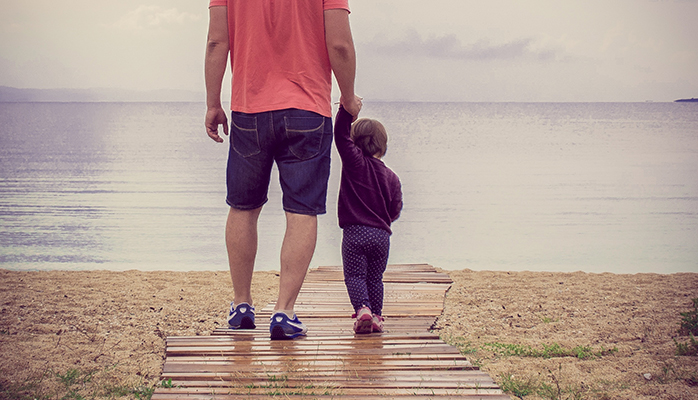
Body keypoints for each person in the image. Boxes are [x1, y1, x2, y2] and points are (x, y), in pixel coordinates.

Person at [204, 0, 362, 340]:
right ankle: (283, 312)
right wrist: (348, 98)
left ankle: (242, 304)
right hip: (308, 109)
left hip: (249, 108)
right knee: (301, 211)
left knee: (243, 207)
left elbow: (217, 41)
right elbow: (340, 44)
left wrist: (213, 103)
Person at [333, 105, 402, 334]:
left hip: (355, 233)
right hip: (382, 236)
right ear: (383, 146)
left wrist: (347, 109)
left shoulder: (355, 164)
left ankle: (363, 308)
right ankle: (377, 317)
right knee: (375, 278)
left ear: (355, 143)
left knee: (354, 275)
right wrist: (384, 221)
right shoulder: (392, 177)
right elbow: (396, 209)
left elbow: (340, 135)